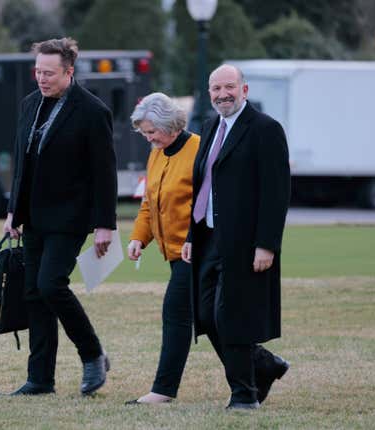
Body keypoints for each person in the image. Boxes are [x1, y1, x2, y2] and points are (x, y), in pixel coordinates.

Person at [2, 37, 118, 396]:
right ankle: (40, 379)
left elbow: (105, 172)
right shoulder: (29, 104)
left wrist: (105, 224)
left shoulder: (92, 111)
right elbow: (23, 163)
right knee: (34, 293)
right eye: (38, 71)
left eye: (49, 73)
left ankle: (92, 353)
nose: (41, 78)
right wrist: (13, 212)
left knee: (51, 284)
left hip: (70, 217)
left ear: (69, 72)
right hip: (33, 217)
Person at [182, 64, 290, 410]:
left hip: (246, 242)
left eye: (229, 87)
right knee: (207, 314)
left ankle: (244, 395)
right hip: (209, 237)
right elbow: (202, 187)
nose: (222, 94)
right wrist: (190, 235)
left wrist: (267, 244)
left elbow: (276, 192)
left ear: (243, 90)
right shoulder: (210, 126)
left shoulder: (265, 129)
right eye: (215, 89)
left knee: (232, 316)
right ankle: (262, 364)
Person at [124, 93, 200, 404]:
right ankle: (263, 366)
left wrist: (196, 239)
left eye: (151, 132)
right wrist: (138, 238)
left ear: (171, 124)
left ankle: (163, 390)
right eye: (143, 132)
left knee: (176, 312)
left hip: (195, 251)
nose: (148, 138)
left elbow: (204, 203)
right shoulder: (157, 153)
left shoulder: (198, 150)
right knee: (210, 319)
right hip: (173, 252)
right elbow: (149, 203)